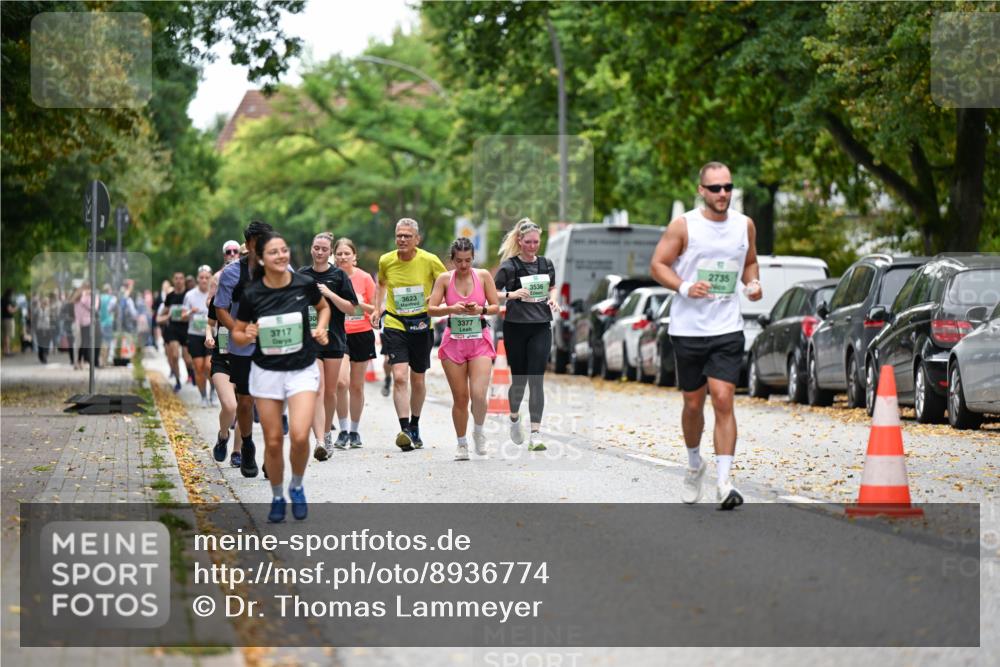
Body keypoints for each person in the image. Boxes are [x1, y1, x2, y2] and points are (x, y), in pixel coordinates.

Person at [649, 161, 762, 511]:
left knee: (723, 398)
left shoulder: (745, 225)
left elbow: (749, 262)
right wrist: (685, 287)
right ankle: (694, 463)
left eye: (727, 187)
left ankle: (724, 483)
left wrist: (753, 284)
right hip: (688, 330)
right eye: (715, 188)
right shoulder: (684, 225)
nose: (723, 193)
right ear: (702, 191)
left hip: (727, 327)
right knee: (693, 404)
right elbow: (657, 265)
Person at [231, 231, 330, 523]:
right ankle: (277, 495)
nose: (281, 255)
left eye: (284, 250)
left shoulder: (304, 283)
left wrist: (321, 327)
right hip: (267, 373)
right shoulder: (252, 293)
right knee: (273, 441)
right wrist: (246, 333)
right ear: (261, 258)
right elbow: (237, 333)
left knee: (299, 435)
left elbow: (323, 308)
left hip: (301, 369)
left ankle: (296, 486)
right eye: (273, 252)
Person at [371, 218, 447, 451]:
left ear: (417, 239)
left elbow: (447, 284)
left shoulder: (430, 260)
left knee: (418, 379)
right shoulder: (386, 260)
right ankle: (404, 429)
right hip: (395, 322)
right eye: (399, 235)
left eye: (407, 236)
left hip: (422, 324)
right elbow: (381, 284)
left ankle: (415, 424)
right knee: (400, 377)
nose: (402, 239)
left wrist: (435, 299)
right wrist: (377, 308)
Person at [428, 237, 500, 460]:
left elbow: (495, 306)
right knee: (460, 398)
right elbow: (431, 309)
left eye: (468, 260)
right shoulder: (444, 279)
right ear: (452, 260)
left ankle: (478, 431)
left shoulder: (483, 276)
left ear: (473, 258)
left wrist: (480, 309)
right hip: (454, 343)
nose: (463, 265)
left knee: (478, 394)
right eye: (459, 261)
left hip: (479, 341)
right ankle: (461, 444)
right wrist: (451, 308)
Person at [214, 220, 274, 479]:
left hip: (272, 348)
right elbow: (220, 309)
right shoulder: (232, 273)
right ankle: (247, 446)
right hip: (243, 350)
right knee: (246, 402)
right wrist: (239, 331)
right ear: (248, 244)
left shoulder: (281, 268)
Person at [495, 218, 560, 452]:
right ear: (519, 241)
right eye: (528, 242)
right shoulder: (509, 266)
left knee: (536, 379)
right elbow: (492, 292)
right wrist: (511, 295)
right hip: (516, 327)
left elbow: (552, 287)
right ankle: (514, 417)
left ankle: (536, 434)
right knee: (520, 380)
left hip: (541, 326)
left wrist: (553, 299)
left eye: (536, 242)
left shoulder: (546, 264)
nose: (533, 246)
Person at [298, 233, 358, 460]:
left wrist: (329, 293)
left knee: (331, 392)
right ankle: (320, 442)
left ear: (330, 252)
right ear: (311, 249)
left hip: (334, 340)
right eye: (316, 248)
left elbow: (352, 308)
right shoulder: (302, 275)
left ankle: (326, 434)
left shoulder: (339, 275)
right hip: (310, 341)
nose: (320, 252)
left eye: (324, 249)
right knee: (318, 389)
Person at [332, 238, 378, 450]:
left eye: (346, 254)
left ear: (354, 256)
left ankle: (354, 430)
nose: (343, 257)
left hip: (361, 334)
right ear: (334, 257)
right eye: (339, 254)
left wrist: (356, 303)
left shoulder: (365, 278)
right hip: (339, 334)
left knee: (357, 386)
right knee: (341, 382)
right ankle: (342, 430)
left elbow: (375, 308)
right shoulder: (331, 278)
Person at [205, 271, 242, 467]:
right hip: (222, 359)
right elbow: (210, 324)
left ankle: (237, 451)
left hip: (244, 358)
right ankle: (223, 435)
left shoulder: (252, 298)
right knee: (230, 406)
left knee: (244, 407)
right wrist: (209, 336)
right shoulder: (218, 301)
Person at [183, 266, 214, 406]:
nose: (204, 280)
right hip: (195, 335)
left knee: (209, 366)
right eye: (201, 277)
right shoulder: (190, 295)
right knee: (199, 367)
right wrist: (191, 312)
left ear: (211, 279)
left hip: (211, 334)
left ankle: (213, 391)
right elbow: (182, 316)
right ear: (197, 279)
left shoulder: (215, 293)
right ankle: (203, 396)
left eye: (207, 277)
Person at [156, 273, 188, 391]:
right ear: (173, 281)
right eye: (176, 279)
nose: (179, 281)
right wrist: (167, 316)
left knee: (188, 359)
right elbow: (160, 316)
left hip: (187, 328)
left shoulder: (189, 294)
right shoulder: (170, 296)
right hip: (173, 328)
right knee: (174, 356)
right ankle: (178, 381)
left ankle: (192, 374)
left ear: (184, 280)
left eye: (181, 278)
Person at [1, 289, 15, 356]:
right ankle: (7, 351)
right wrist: (16, 308)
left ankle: (4, 350)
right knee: (7, 336)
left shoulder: (2, 299)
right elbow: (10, 310)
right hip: (8, 319)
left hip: (3, 319)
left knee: (5, 335)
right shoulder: (8, 300)